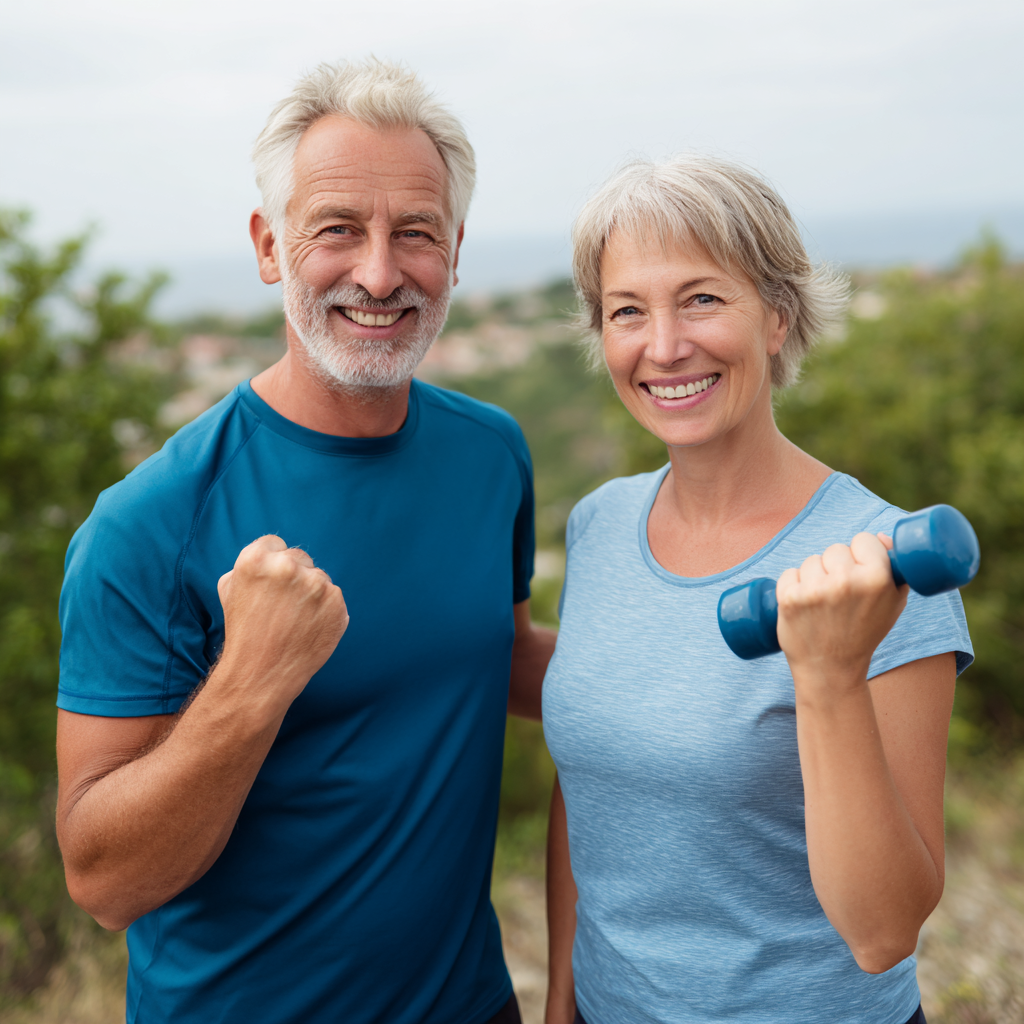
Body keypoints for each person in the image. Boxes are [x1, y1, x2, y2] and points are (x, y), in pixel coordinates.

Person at [55, 58, 555, 1024]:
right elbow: (105, 883)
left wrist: (740, 655)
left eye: (414, 233)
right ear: (270, 247)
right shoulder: (150, 522)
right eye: (337, 229)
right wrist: (252, 681)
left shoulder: (492, 453)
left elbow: (502, 657)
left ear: (453, 249)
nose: (378, 272)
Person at [542, 157, 972, 1024]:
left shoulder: (881, 570)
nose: (663, 346)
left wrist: (827, 675)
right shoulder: (597, 526)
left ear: (777, 317)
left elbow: (884, 929)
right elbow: (584, 795)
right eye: (628, 311)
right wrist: (560, 1000)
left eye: (701, 298)